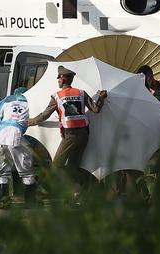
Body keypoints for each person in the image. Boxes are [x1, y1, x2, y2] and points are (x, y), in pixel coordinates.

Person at [28, 66, 107, 196]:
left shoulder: (57, 96)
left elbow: (44, 116)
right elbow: (96, 109)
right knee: (73, 167)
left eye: (58, 78)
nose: (57, 80)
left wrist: (29, 122)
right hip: (84, 134)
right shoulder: (81, 93)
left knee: (57, 165)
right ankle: (81, 192)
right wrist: (101, 98)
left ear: (63, 79)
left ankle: (43, 191)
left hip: (70, 135)